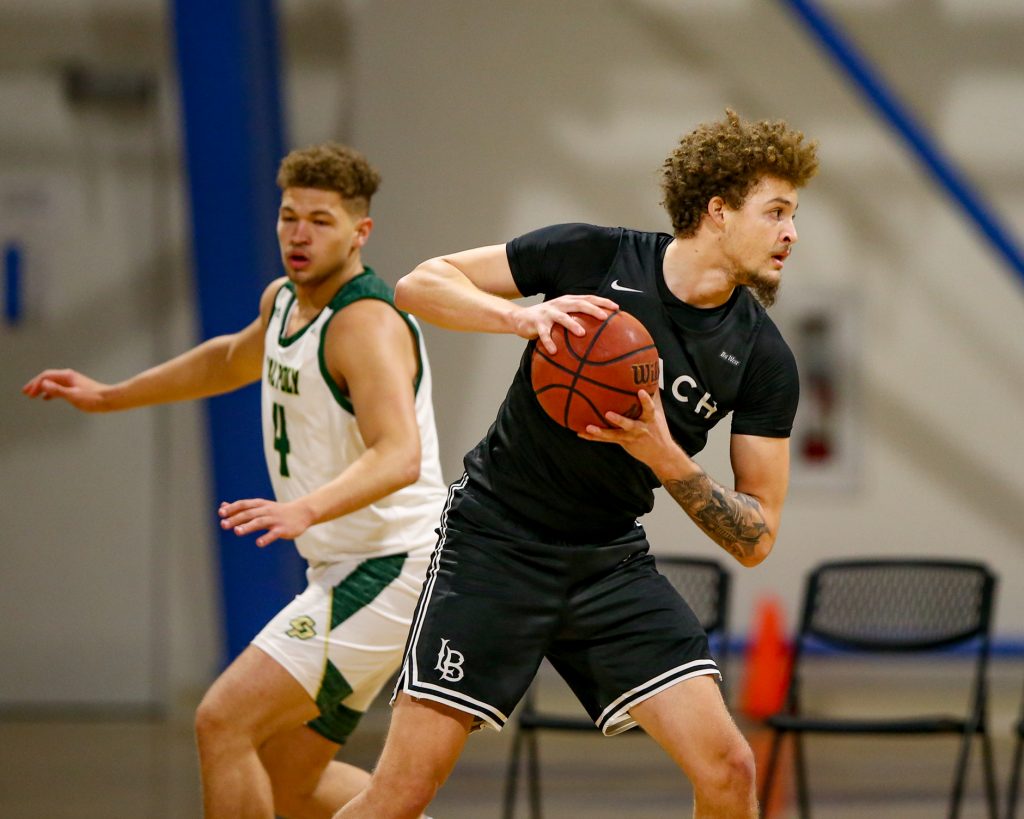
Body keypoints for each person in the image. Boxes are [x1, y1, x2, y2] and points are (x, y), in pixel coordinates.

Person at [333, 109, 819, 819]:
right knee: (402, 791)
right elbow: (418, 285)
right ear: (719, 210)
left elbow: (757, 536)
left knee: (730, 768)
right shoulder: (594, 256)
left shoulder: (763, 358)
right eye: (776, 211)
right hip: (495, 543)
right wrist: (519, 317)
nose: (792, 232)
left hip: (606, 559)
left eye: (794, 215)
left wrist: (663, 455)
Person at [22, 143, 447, 819]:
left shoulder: (365, 323)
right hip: (348, 567)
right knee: (287, 786)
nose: (299, 235)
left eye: (321, 221)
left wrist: (306, 509)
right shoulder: (283, 302)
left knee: (222, 721)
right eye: (289, 217)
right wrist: (110, 395)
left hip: (393, 567)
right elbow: (227, 360)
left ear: (360, 232)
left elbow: (400, 454)